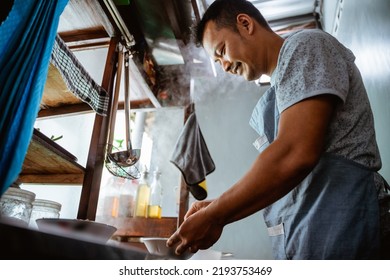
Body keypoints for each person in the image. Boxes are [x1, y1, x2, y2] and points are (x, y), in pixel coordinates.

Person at [167, 0, 390, 259]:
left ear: (245, 24)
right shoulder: (276, 95)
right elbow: (281, 177)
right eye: (217, 62)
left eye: (222, 50)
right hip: (312, 237)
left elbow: (293, 154)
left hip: (350, 227)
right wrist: (216, 209)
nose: (225, 66)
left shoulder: (305, 46)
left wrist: (216, 215)